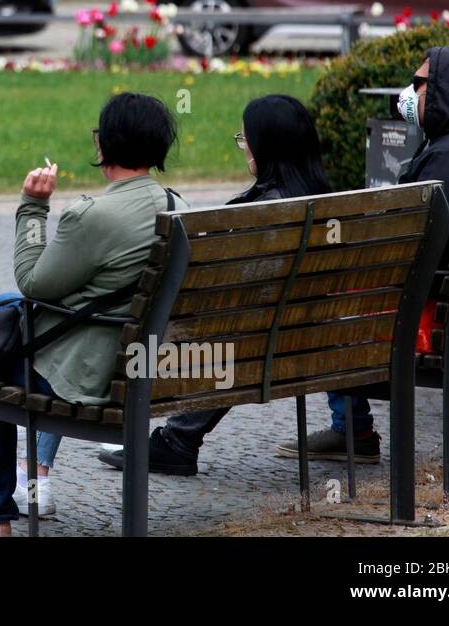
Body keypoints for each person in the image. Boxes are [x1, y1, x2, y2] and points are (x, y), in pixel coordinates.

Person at [0, 93, 186, 536]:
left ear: (103, 146)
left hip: (88, 373)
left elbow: (32, 282)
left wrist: (33, 205)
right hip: (137, 365)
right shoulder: (177, 208)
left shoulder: (93, 216)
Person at [276, 46, 449, 463]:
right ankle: (350, 430)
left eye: (422, 83)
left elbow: (408, 253)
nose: (411, 91)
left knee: (302, 295)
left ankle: (351, 430)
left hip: (419, 317)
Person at [97, 95, 331, 477]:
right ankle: (355, 427)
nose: (244, 148)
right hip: (319, 345)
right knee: (245, 335)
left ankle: (176, 441)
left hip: (252, 352)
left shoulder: (260, 213)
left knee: (225, 336)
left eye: (246, 140)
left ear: (264, 147)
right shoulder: (330, 202)